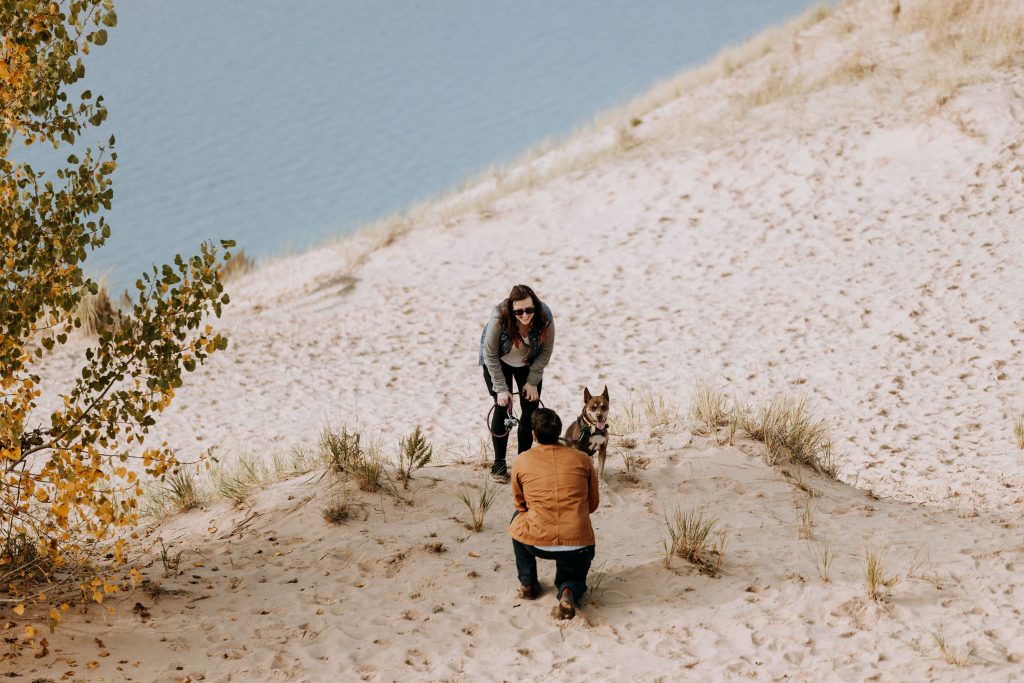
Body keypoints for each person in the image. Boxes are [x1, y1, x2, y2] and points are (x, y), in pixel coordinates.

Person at [508, 408, 599, 620]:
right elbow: (593, 505)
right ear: (559, 431)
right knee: (573, 572)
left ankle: (528, 584)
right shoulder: (583, 459)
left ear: (534, 435)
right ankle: (568, 590)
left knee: (516, 520)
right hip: (578, 543)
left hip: (537, 541)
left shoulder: (521, 460)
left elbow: (520, 503)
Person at [478, 284, 555, 482]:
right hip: (498, 361)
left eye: (529, 310)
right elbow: (490, 354)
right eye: (519, 311)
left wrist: (532, 381)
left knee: (531, 408)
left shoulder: (545, 317)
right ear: (512, 310)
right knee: (502, 406)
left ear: (535, 306)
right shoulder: (499, 317)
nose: (525, 315)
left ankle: (523, 465)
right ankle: (499, 465)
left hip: (528, 362)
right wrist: (502, 389)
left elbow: (545, 352)